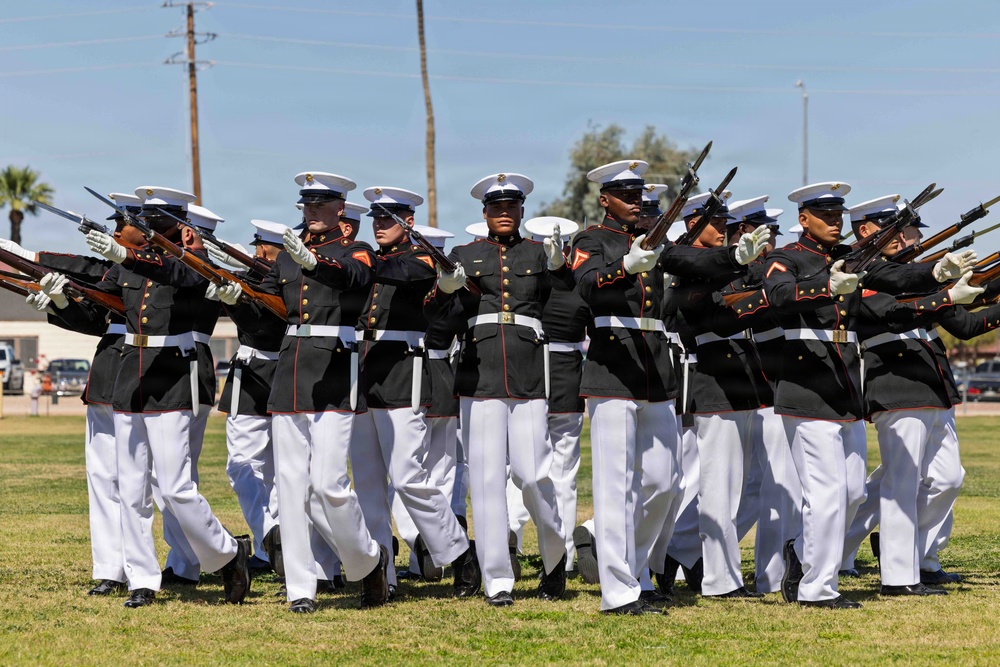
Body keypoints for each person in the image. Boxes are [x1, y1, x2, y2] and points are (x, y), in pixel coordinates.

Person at [762, 182, 980, 609]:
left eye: (838, 214)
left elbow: (896, 278)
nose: (834, 221)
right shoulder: (785, 258)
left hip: (846, 385)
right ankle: (816, 589)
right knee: (827, 493)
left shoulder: (850, 258)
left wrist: (939, 275)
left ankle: (803, 553)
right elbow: (779, 297)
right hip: (806, 383)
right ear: (803, 219)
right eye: (824, 215)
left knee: (852, 494)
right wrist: (829, 286)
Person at [570, 160, 765, 614]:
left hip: (656, 370)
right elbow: (582, 284)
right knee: (616, 485)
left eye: (639, 192)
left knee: (664, 481)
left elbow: (695, 259)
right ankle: (618, 592)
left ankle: (632, 568)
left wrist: (736, 256)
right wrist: (623, 266)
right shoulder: (591, 240)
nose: (635, 199)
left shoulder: (656, 242)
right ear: (604, 199)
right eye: (625, 192)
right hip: (613, 365)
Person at [219, 172, 389, 613]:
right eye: (306, 207)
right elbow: (269, 309)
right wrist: (234, 297)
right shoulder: (288, 258)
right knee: (291, 487)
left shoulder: (357, 250)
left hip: (334, 365)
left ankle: (368, 559)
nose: (311, 213)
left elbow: (354, 278)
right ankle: (301, 586)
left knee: (328, 484)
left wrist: (315, 264)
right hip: (292, 369)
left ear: (339, 211)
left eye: (319, 206)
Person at [74, 187, 251, 608]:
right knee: (131, 486)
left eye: (157, 223)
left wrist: (130, 256)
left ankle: (226, 552)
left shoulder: (194, 261)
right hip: (131, 371)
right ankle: (142, 579)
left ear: (181, 227)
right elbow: (99, 296)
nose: (147, 229)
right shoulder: (132, 262)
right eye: (144, 222)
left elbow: (182, 276)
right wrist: (58, 288)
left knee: (173, 486)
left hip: (173, 373)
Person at [426, 172, 569, 607]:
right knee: (486, 481)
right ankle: (497, 580)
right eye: (495, 208)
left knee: (533, 475)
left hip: (527, 372)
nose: (503, 214)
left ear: (522, 211)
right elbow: (439, 314)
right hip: (478, 371)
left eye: (511, 207)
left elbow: (565, 302)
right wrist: (444, 289)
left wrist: (561, 268)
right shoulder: (464, 254)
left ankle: (554, 557)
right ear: (484, 213)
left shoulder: (538, 254)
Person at [349, 186, 480, 599]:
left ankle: (459, 552)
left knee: (408, 477)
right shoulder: (372, 258)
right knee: (367, 481)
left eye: (389, 219)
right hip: (364, 370)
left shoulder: (421, 258)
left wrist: (364, 262)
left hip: (404, 371)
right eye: (376, 220)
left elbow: (406, 274)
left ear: (407, 222)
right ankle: (379, 573)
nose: (380, 226)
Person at [506, 215, 587, 577]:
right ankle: (562, 552)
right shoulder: (576, 281)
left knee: (526, 469)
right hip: (559, 371)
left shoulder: (529, 284)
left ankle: (522, 538)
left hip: (538, 372)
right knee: (554, 470)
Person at [213, 219, 287, 574]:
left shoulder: (289, 283)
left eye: (265, 248)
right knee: (245, 467)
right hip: (254, 371)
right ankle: (269, 541)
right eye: (257, 246)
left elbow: (262, 322)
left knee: (272, 470)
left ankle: (272, 537)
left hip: (274, 370)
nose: (258, 252)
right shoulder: (255, 279)